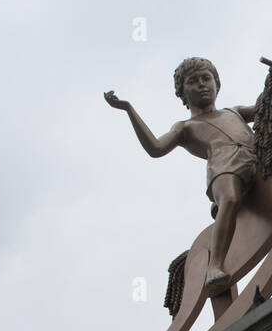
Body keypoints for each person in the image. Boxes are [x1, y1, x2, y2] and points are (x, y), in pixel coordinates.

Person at [104, 58, 259, 295]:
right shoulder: (185, 127)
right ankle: (214, 266)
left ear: (217, 83)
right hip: (225, 168)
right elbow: (155, 148)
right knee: (229, 198)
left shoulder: (234, 112)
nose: (202, 85)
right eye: (193, 82)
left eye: (206, 79)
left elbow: (267, 105)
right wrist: (129, 110)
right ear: (182, 93)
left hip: (255, 161)